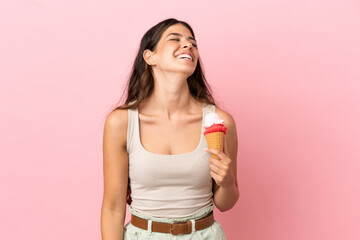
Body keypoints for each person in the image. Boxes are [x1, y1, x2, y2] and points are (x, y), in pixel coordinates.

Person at [101, 18, 239, 240]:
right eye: (175, 39)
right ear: (149, 56)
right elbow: (113, 206)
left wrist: (228, 181)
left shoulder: (220, 122)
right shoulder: (121, 123)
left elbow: (226, 203)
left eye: (192, 43)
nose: (188, 46)